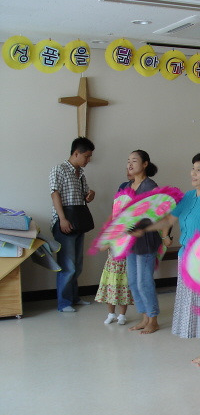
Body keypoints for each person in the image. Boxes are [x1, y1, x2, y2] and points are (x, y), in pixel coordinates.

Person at [133, 152, 200, 366]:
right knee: (194, 307)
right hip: (186, 258)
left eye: (199, 170)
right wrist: (146, 228)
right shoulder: (188, 197)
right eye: (192, 168)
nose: (193, 173)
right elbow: (169, 219)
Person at [49, 137, 95, 312]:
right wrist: (62, 219)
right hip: (64, 221)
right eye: (87, 156)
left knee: (77, 264)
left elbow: (84, 197)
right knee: (67, 265)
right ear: (76, 153)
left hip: (78, 221)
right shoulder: (58, 169)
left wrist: (90, 195)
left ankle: (74, 298)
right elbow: (55, 195)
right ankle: (64, 303)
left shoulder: (81, 174)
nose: (88, 160)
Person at [125, 150, 164, 334]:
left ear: (145, 164)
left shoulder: (150, 185)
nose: (130, 164)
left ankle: (153, 318)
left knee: (144, 281)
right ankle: (144, 317)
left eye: (134, 161)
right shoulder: (127, 186)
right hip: (130, 240)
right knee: (133, 281)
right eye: (128, 161)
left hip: (146, 238)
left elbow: (161, 211)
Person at [96, 178, 134, 325]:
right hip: (111, 267)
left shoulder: (129, 228)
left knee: (123, 291)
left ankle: (122, 315)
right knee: (110, 291)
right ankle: (111, 313)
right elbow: (101, 246)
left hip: (124, 266)